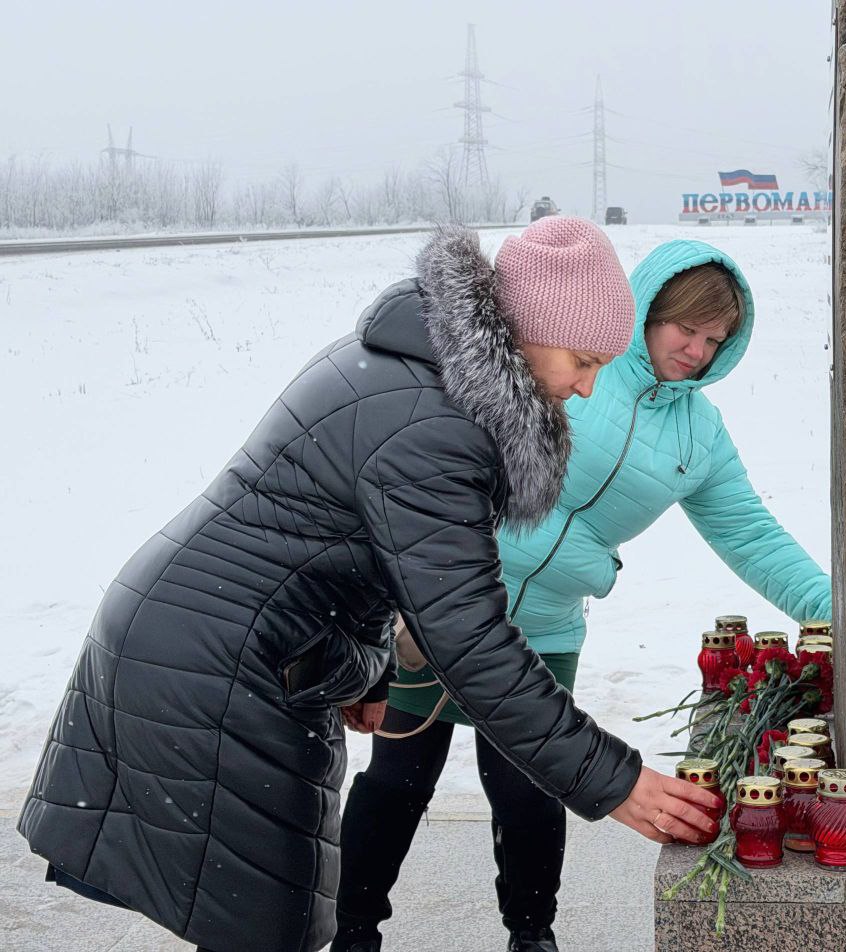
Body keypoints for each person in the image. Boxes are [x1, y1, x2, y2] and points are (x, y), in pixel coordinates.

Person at [16, 218, 719, 952]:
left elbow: (338, 542)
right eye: (581, 359)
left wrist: (366, 664)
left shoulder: (413, 367)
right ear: (523, 328)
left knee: (265, 921)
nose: (585, 387)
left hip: (221, 647)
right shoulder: (434, 422)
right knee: (260, 927)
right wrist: (615, 782)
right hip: (209, 670)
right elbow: (470, 642)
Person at [334, 239, 832, 952]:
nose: (695, 349)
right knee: (399, 778)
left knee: (529, 787)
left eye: (714, 339)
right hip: (444, 604)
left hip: (546, 627)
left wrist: (835, 615)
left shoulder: (700, 435)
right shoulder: (576, 366)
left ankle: (532, 936)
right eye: (683, 328)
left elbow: (752, 536)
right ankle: (354, 933)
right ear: (647, 311)